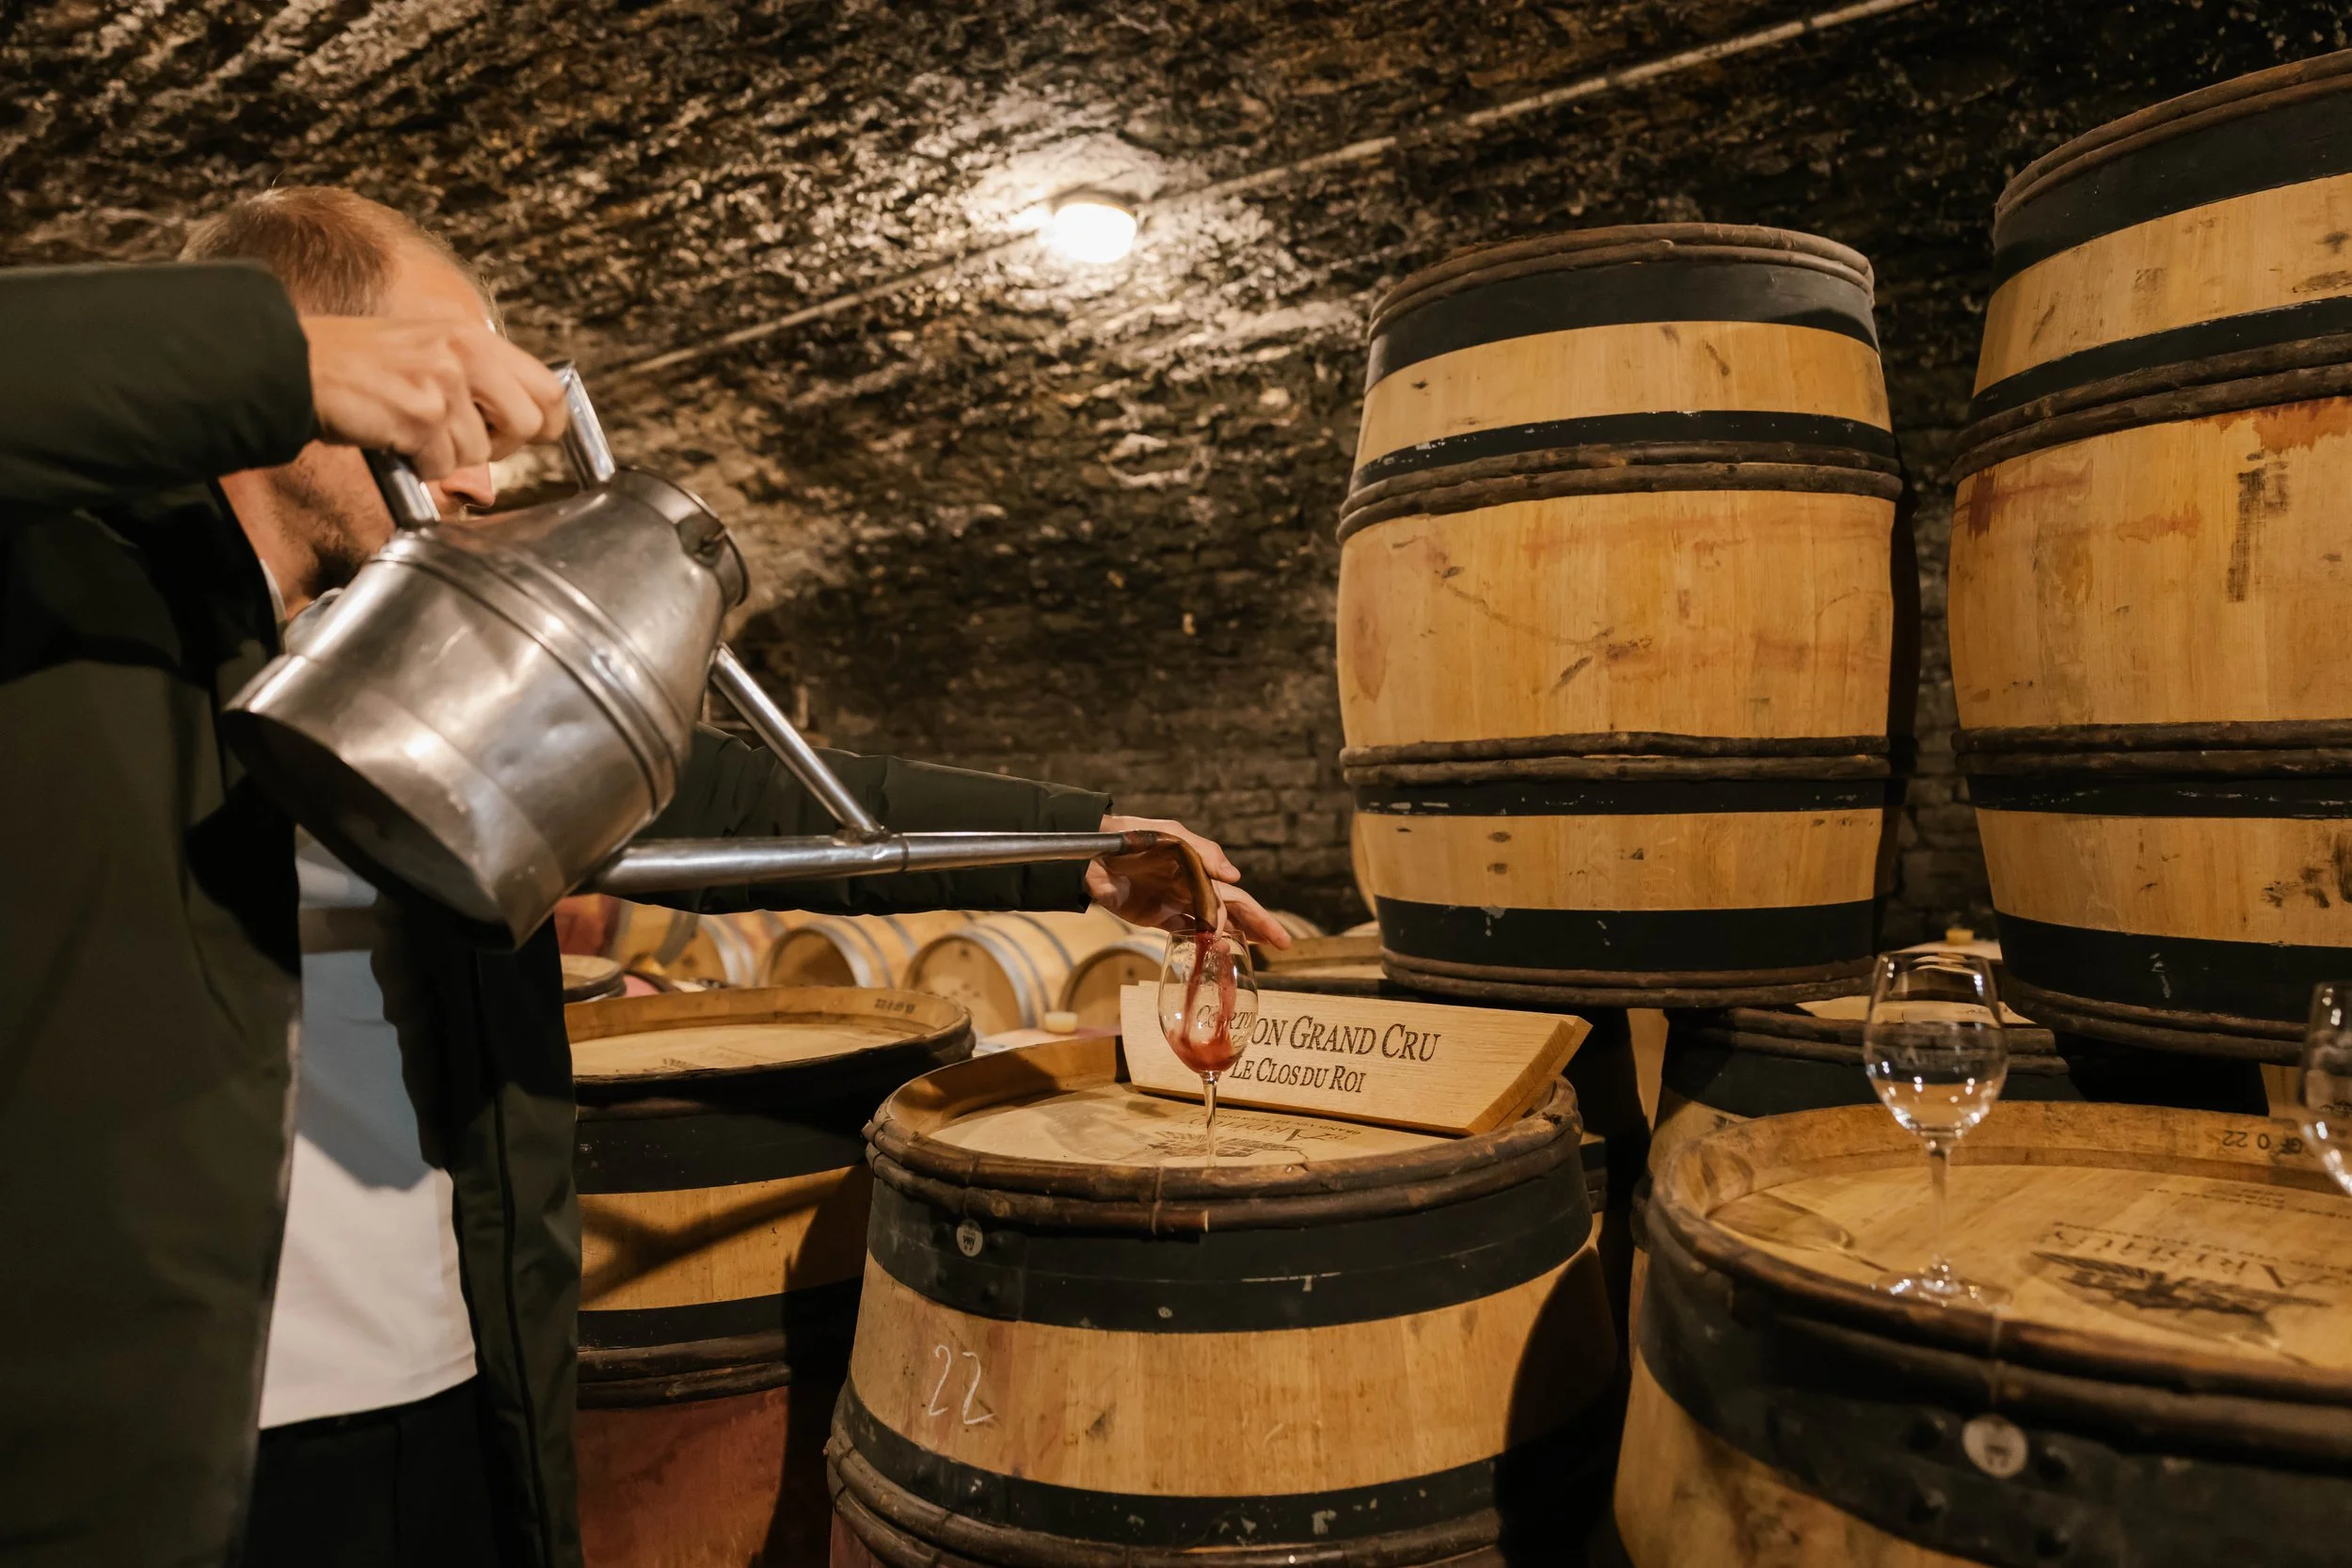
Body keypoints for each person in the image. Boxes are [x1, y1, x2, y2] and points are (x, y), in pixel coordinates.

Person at [0, 187, 1281, 1568]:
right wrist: (275, 361)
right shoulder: (61, 604)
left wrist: (1074, 844)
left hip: (454, 1407)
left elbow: (730, 784)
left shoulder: (420, 667)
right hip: (155, 1470)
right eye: (440, 404)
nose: (480, 473)